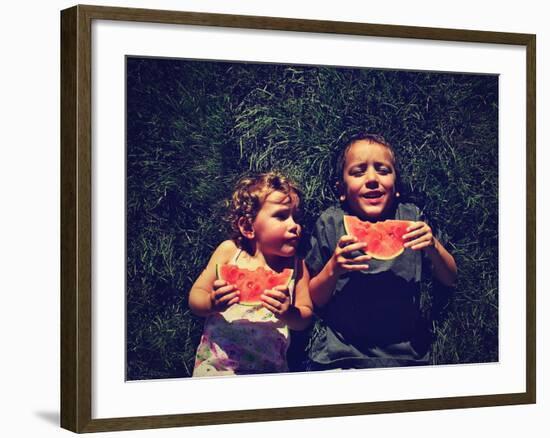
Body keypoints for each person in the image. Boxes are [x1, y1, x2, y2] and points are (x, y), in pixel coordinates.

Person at [305, 132, 457, 370]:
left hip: (405, 354)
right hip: (340, 354)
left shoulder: (412, 219)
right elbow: (315, 299)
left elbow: (449, 279)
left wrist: (434, 246)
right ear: (341, 189)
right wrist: (333, 268)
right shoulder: (331, 222)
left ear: (396, 187)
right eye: (358, 172)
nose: (372, 178)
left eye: (383, 170)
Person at [189, 172, 313, 377]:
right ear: (248, 226)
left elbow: (305, 315)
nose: (295, 226)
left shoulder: (297, 265)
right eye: (282, 216)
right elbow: (196, 295)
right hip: (217, 366)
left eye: (296, 217)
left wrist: (288, 313)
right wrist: (211, 303)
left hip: (270, 370)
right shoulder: (229, 251)